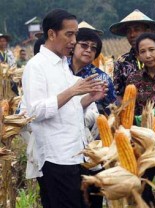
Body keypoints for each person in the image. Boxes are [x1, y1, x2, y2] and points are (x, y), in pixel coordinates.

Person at [22, 9, 106, 208]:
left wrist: (87, 99)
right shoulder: (36, 66)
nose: (74, 40)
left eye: (75, 34)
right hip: (56, 158)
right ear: (51, 34)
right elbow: (34, 112)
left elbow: (69, 109)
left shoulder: (62, 65)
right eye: (69, 34)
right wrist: (72, 91)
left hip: (77, 154)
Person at [126, 33, 155, 206]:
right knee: (142, 191)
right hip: (142, 145)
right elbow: (129, 111)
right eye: (142, 51)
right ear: (137, 55)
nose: (147, 55)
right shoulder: (133, 79)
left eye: (152, 50)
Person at [109, 9, 155, 99]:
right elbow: (119, 94)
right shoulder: (122, 62)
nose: (132, 35)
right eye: (128, 31)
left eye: (137, 29)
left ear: (148, 31)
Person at [69, 28, 116, 115]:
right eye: (84, 45)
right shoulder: (59, 68)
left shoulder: (102, 78)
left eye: (93, 48)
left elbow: (112, 109)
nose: (89, 50)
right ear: (73, 46)